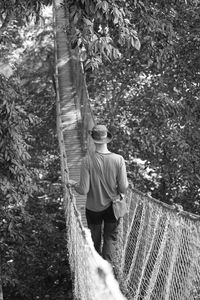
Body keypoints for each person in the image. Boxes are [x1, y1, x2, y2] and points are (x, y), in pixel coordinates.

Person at [68, 124, 129, 263]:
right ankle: (108, 270)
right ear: (107, 138)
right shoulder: (118, 159)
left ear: (92, 140)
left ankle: (96, 268)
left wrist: (73, 184)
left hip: (93, 209)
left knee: (95, 240)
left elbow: (83, 190)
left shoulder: (87, 160)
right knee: (109, 238)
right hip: (112, 208)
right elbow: (124, 188)